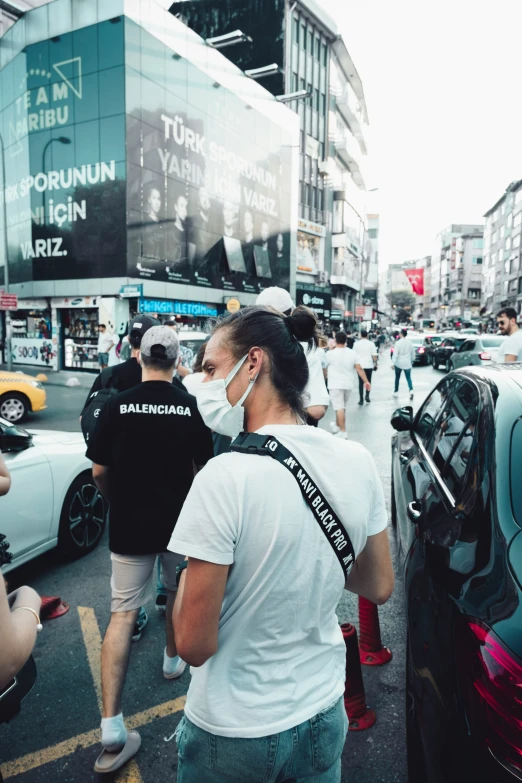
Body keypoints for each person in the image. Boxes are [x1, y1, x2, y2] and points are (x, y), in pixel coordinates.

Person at [168, 304, 393, 783]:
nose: (200, 382)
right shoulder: (354, 459)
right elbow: (378, 584)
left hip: (233, 733)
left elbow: (191, 644)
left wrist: (188, 574)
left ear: (254, 363)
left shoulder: (224, 475)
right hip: (323, 714)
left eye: (210, 368)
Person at [86, 326, 214, 774]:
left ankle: (111, 728)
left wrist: (115, 500)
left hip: (129, 524)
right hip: (179, 525)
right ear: (177, 360)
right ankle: (172, 660)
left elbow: (99, 470)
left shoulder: (118, 404)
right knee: (176, 594)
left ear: (139, 356)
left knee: (122, 613)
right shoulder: (188, 405)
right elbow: (203, 470)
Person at [256, 287, 329, 426]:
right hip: (292, 438)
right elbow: (316, 410)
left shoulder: (244, 346)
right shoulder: (304, 351)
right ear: (291, 313)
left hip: (248, 440)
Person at [325, 332, 371, 439]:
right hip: (348, 384)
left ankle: (343, 431)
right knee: (341, 406)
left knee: (339, 407)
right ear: (346, 340)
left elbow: (324, 367)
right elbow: (359, 368)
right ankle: (337, 426)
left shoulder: (330, 354)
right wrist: (366, 381)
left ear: (335, 340)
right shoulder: (352, 353)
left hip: (335, 384)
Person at [355, 329, 378, 405]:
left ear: (361, 335)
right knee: (368, 381)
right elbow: (374, 355)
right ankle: (367, 395)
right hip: (369, 365)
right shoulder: (371, 344)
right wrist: (375, 363)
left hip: (360, 365)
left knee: (360, 383)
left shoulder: (356, 344)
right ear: (367, 335)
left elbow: (354, 355)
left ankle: (361, 399)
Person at [392, 329, 415, 399]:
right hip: (407, 362)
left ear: (401, 334)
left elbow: (395, 354)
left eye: (399, 333)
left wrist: (393, 362)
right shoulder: (410, 343)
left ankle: (396, 391)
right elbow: (413, 354)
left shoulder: (398, 343)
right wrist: (412, 360)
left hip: (399, 363)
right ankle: (411, 390)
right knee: (408, 378)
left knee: (397, 378)